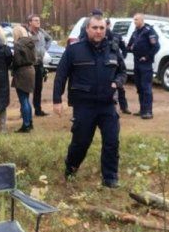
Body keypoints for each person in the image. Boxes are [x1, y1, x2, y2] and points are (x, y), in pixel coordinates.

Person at [52, 14, 127, 188]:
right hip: (84, 105)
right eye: (95, 28)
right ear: (87, 29)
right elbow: (61, 75)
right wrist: (57, 100)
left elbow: (122, 72)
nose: (99, 31)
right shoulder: (74, 50)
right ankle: (70, 169)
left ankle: (110, 179)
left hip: (107, 104)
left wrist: (118, 82)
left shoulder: (113, 49)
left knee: (111, 141)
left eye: (102, 28)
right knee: (81, 142)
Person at [127, 13, 159, 119]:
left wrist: (147, 57)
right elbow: (129, 45)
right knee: (139, 87)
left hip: (145, 64)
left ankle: (148, 111)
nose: (134, 21)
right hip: (137, 63)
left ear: (142, 20)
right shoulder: (136, 32)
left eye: (136, 19)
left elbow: (156, 46)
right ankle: (142, 110)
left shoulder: (149, 31)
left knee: (146, 87)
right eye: (134, 20)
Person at [11, 24, 37, 133]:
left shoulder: (18, 45)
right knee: (27, 99)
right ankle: (29, 122)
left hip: (21, 72)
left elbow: (17, 61)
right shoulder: (31, 43)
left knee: (23, 100)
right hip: (31, 69)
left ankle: (26, 125)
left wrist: (11, 66)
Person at [28, 14, 52, 117]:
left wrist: (44, 50)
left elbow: (50, 38)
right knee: (27, 88)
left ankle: (38, 110)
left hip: (40, 64)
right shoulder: (27, 33)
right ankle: (24, 111)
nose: (38, 22)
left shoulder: (41, 32)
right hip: (29, 64)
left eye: (39, 20)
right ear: (30, 22)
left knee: (38, 88)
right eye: (35, 20)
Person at [107, 18, 131, 114]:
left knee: (120, 87)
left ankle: (124, 107)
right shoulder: (101, 36)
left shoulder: (116, 36)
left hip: (115, 64)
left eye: (107, 25)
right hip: (106, 65)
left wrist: (122, 58)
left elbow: (123, 48)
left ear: (110, 25)